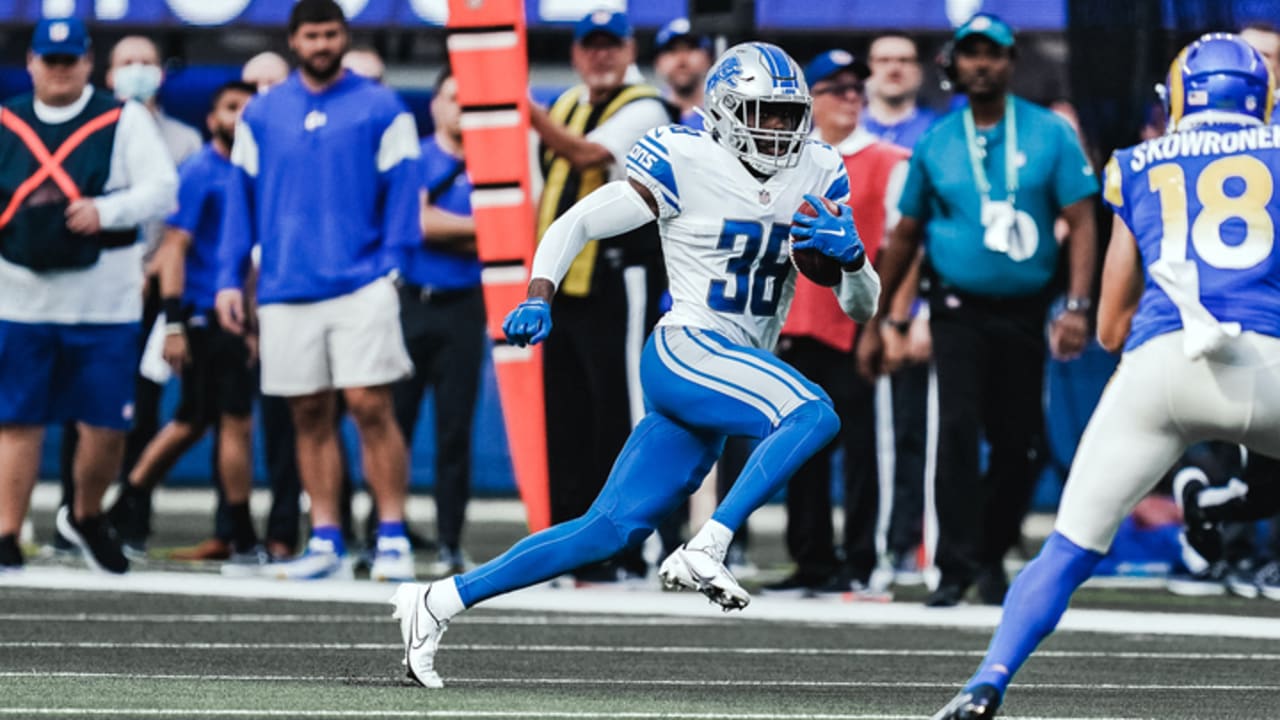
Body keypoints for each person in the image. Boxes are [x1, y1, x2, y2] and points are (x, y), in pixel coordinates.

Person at [389, 40, 880, 688]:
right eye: (763, 113)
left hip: (733, 369)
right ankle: (710, 543)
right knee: (813, 412)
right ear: (728, 111)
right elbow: (578, 221)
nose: (777, 129)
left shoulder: (818, 170)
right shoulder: (686, 156)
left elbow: (861, 308)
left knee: (607, 529)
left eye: (788, 115)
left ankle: (438, 600)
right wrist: (540, 293)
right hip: (689, 349)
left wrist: (853, 261)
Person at [932, 33, 1280, 718]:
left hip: (1161, 364)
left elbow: (1112, 327)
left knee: (1067, 547)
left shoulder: (1140, 162)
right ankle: (1222, 500)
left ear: (1179, 100)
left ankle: (985, 682)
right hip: (1268, 365)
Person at [859, 13, 1099, 608]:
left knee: (1023, 445)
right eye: (971, 54)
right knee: (958, 434)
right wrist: (877, 319)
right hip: (956, 311)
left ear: (1011, 62)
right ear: (954, 66)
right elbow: (905, 235)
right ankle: (957, 566)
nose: (982, 64)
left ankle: (990, 552)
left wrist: (1077, 304)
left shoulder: (1047, 132)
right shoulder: (938, 140)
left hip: (1025, 311)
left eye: (993, 54)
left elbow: (1084, 221)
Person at [215, 0, 420, 581]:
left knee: (369, 405)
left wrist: (391, 266)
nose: (322, 43)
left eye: (331, 33)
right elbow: (241, 198)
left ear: (343, 36)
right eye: (312, 35)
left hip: (362, 282)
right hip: (285, 286)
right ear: (294, 40)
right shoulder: (261, 113)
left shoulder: (382, 106)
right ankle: (326, 539)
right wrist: (231, 277)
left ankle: (393, 538)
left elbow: (404, 192)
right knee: (308, 412)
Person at [0, 17, 177, 572]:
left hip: (104, 304)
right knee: (16, 421)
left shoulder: (123, 119)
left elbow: (163, 189)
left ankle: (84, 513)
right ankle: (6, 531)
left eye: (68, 60)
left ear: (86, 63)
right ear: (31, 62)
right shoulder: (7, 121)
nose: (58, 70)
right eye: (49, 60)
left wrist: (107, 210)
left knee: (105, 424)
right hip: (20, 298)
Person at [528, 9, 675, 583]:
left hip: (622, 275)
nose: (601, 56)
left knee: (625, 411)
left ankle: (639, 545)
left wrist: (520, 112)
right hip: (568, 283)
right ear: (575, 53)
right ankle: (575, 542)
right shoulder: (565, 103)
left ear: (629, 47)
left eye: (611, 45)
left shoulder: (644, 105)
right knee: (566, 416)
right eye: (591, 46)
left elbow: (589, 156)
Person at [764, 50, 908, 595]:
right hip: (795, 328)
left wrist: (888, 320)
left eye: (856, 88)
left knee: (866, 454)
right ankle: (812, 559)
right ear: (812, 99)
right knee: (799, 451)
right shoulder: (788, 162)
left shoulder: (890, 159)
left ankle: (863, 559)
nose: (850, 97)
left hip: (854, 327)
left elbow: (901, 248)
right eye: (836, 88)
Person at [109, 81, 267, 571]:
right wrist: (175, 321)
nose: (240, 116)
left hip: (238, 315)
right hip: (206, 314)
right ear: (212, 116)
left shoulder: (254, 171)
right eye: (230, 107)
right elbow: (173, 247)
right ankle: (240, 533)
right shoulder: (201, 170)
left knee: (193, 421)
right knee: (231, 422)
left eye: (248, 109)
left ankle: (125, 502)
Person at [57, 35, 203, 557]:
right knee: (81, 407)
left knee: (138, 411)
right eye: (127, 62)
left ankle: (129, 520)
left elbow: (183, 223)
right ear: (107, 72)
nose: (137, 70)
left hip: (160, 291)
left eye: (146, 61)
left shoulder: (186, 141)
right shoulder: (84, 130)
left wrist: (157, 280)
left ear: (162, 72)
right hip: (90, 287)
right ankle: (74, 517)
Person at [392, 66, 487, 576]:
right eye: (452, 97)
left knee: (455, 433)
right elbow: (414, 222)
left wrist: (449, 228)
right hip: (411, 302)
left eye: (468, 97)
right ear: (434, 105)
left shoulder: (493, 162)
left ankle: (450, 540)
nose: (460, 106)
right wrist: (478, 228)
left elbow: (512, 231)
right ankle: (386, 531)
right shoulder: (416, 158)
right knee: (393, 426)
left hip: (462, 306)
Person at [862, 33, 938, 151]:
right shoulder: (847, 126)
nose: (893, 69)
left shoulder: (937, 129)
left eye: (904, 60)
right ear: (868, 68)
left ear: (919, 71)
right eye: (883, 60)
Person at [652, 18, 713, 129]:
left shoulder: (723, 114)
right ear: (657, 62)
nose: (682, 60)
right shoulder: (647, 111)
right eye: (672, 50)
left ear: (708, 58)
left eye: (691, 49)